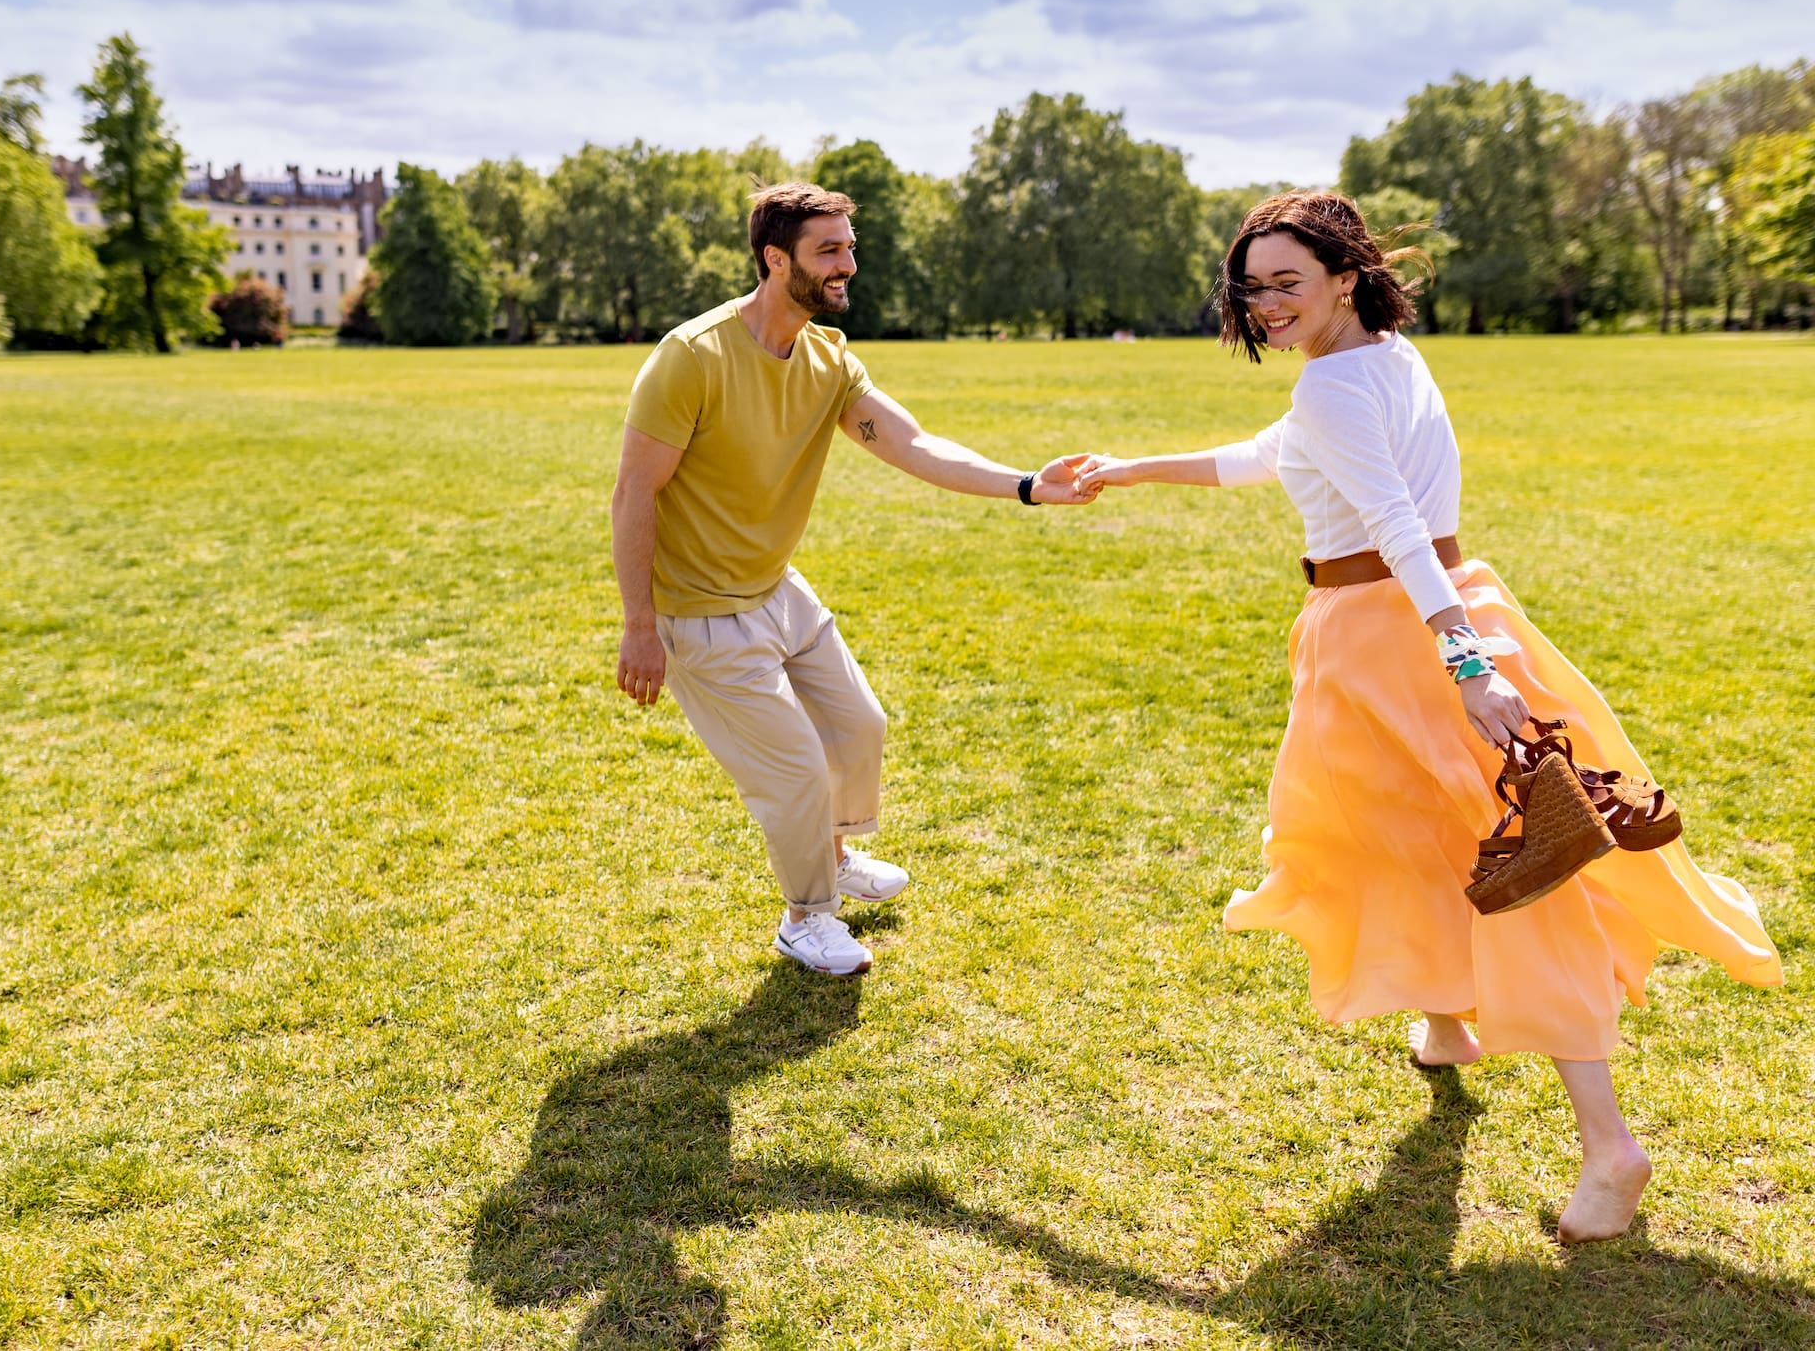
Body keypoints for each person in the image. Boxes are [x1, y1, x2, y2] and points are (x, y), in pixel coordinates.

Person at [1074, 190, 1780, 1243]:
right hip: (1432, 616)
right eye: (1251, 285)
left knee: (1523, 869)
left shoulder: (1338, 387)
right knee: (1414, 838)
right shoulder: (1379, 360)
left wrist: (1464, 667)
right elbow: (1263, 458)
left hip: (1395, 634)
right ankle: (1446, 1022)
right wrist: (1126, 466)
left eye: (1285, 283)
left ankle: (1608, 1147)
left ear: (1342, 278)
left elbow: (1397, 527)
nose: (1264, 303)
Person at [612, 182, 1094, 977]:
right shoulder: (692, 357)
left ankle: (831, 859)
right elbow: (635, 491)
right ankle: (806, 918)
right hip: (699, 611)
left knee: (857, 728)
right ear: (777, 259)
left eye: (849, 246)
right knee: (796, 769)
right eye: (829, 250)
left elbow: (915, 445)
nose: (849, 264)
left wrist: (1026, 485)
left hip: (777, 588)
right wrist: (639, 625)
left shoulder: (829, 359)